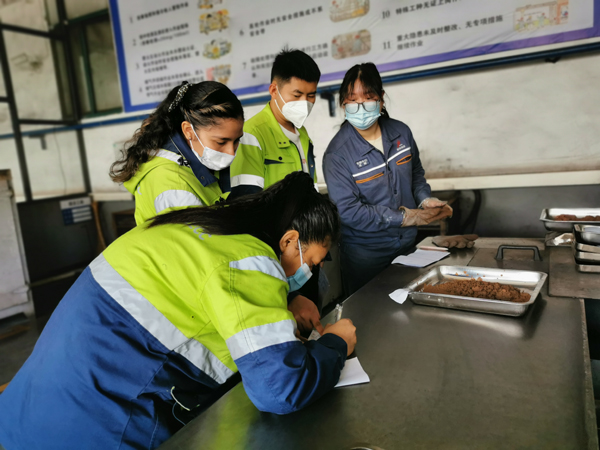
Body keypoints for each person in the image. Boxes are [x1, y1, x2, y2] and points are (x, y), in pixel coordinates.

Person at [0, 172, 357, 450]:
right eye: (313, 262)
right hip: (96, 431)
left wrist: (282, 303)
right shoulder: (249, 261)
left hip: (28, 417)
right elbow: (279, 389)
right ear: (289, 240)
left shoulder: (193, 228)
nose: (311, 272)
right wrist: (335, 344)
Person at [323, 63, 452, 296]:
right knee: (370, 311)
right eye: (352, 100)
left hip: (408, 246)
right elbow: (349, 212)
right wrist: (404, 217)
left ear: (381, 99)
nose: (361, 106)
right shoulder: (337, 155)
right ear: (343, 104)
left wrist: (424, 199)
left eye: (368, 98)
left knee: (409, 305)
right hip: (366, 256)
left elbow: (415, 174)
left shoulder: (401, 133)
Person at [229, 49, 325, 329]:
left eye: (311, 95)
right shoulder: (252, 135)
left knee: (310, 325)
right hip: (277, 259)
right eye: (297, 94)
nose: (305, 103)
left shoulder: (301, 134)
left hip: (304, 251)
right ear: (274, 90)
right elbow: (247, 212)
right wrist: (288, 290)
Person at [110, 81, 244, 225]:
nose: (231, 152)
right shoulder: (174, 185)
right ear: (188, 131)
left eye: (236, 140)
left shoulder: (196, 160)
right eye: (221, 142)